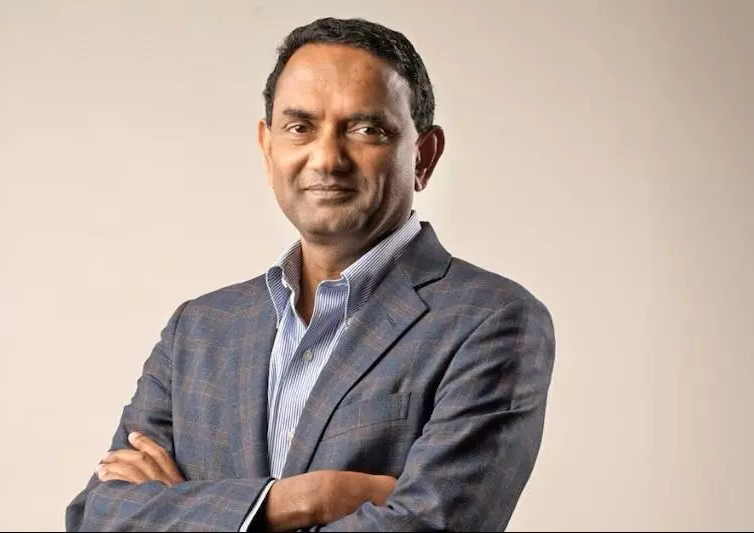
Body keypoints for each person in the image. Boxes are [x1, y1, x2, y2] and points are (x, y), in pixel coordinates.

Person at [65, 16, 555, 532]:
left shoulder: (492, 321)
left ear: (423, 157)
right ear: (268, 148)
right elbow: (96, 517)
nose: (327, 159)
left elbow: (429, 526)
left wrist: (183, 509)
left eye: (366, 129)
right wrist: (307, 499)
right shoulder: (199, 328)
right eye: (300, 127)